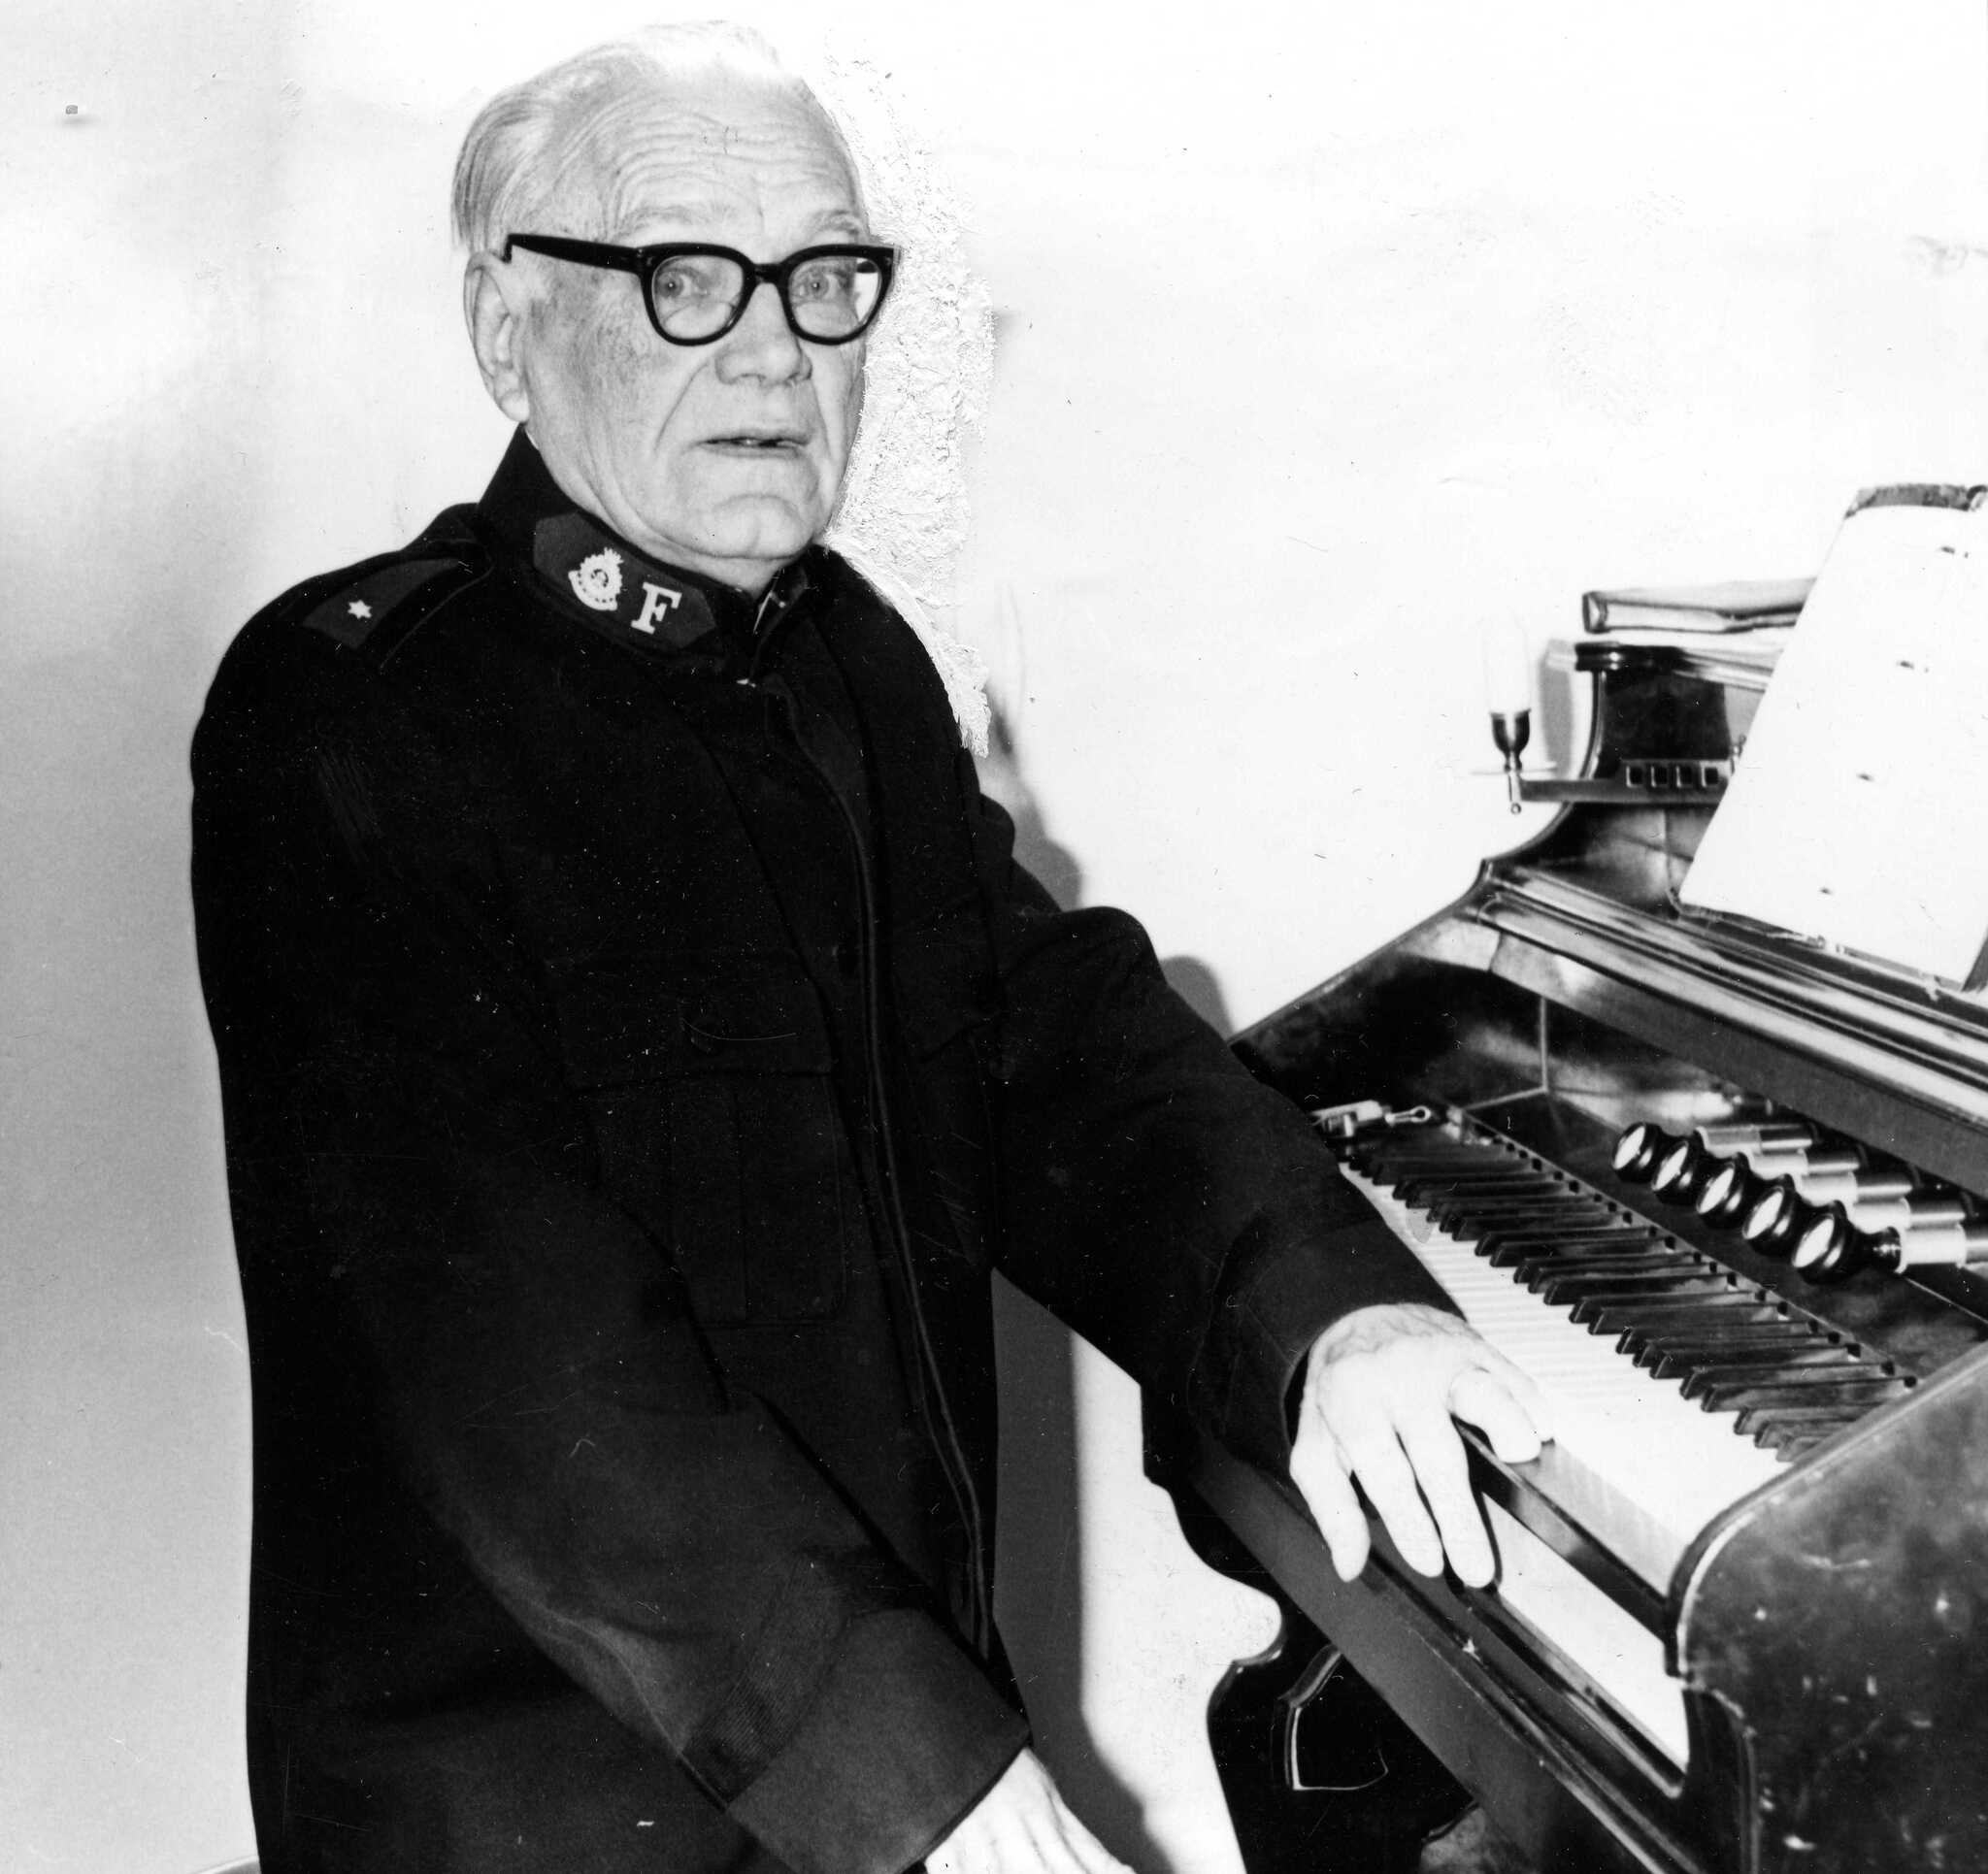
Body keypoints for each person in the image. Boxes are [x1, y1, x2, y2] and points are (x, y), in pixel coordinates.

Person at [190, 26, 1548, 1874]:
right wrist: (928, 1786)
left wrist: (1332, 1312)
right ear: (508, 328)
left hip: (872, 1764)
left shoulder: (848, 667)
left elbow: (1065, 1060)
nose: (776, 350)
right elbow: (529, 1367)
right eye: (686, 279)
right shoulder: (352, 713)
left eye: (824, 279)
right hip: (548, 1811)